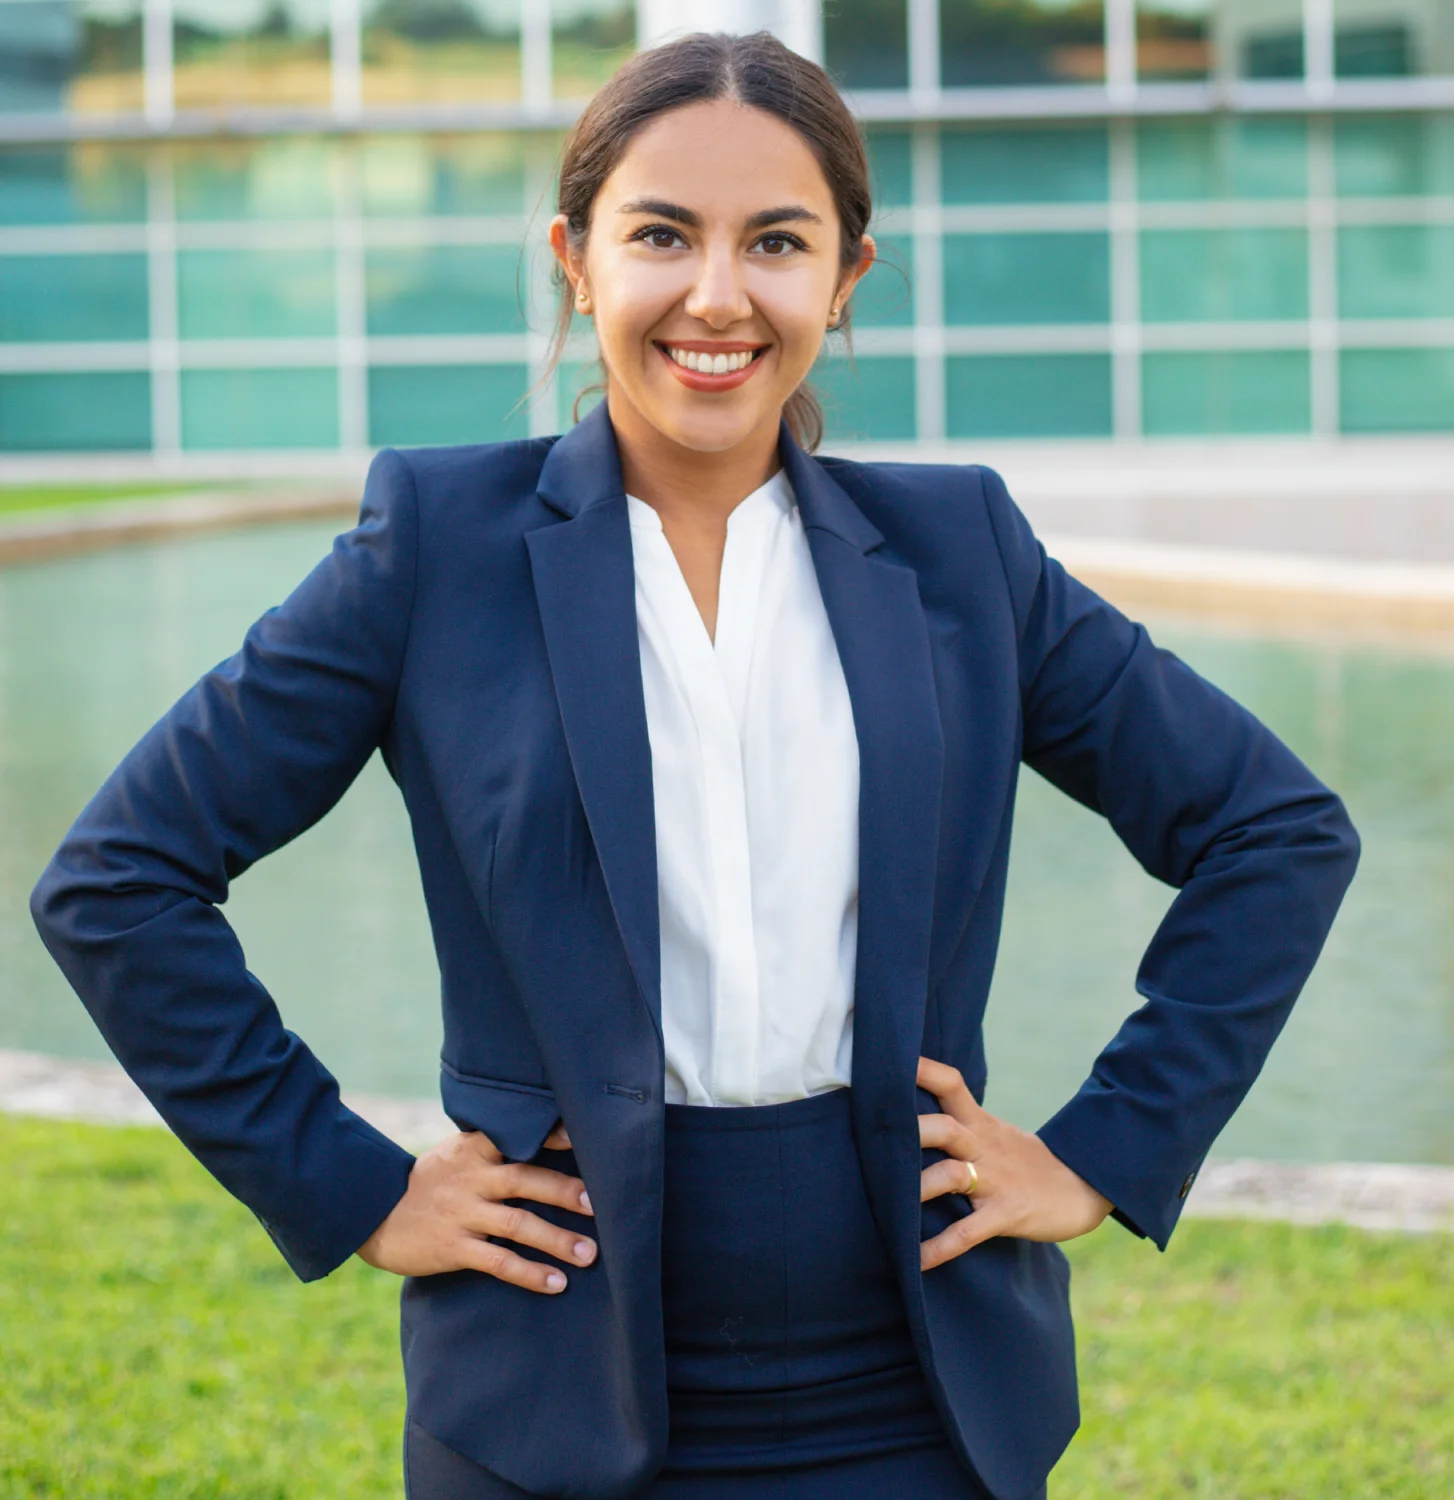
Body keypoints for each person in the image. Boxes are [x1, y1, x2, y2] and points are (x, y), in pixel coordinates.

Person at [31, 30, 1360, 1500]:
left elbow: (1274, 829)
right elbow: (120, 879)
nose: (717, 296)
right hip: (552, 1386)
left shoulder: (962, 554)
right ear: (577, 260)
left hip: (912, 1391)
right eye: (661, 234)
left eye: (776, 243)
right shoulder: (437, 548)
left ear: (844, 280)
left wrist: (1106, 1148)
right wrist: (347, 1183)